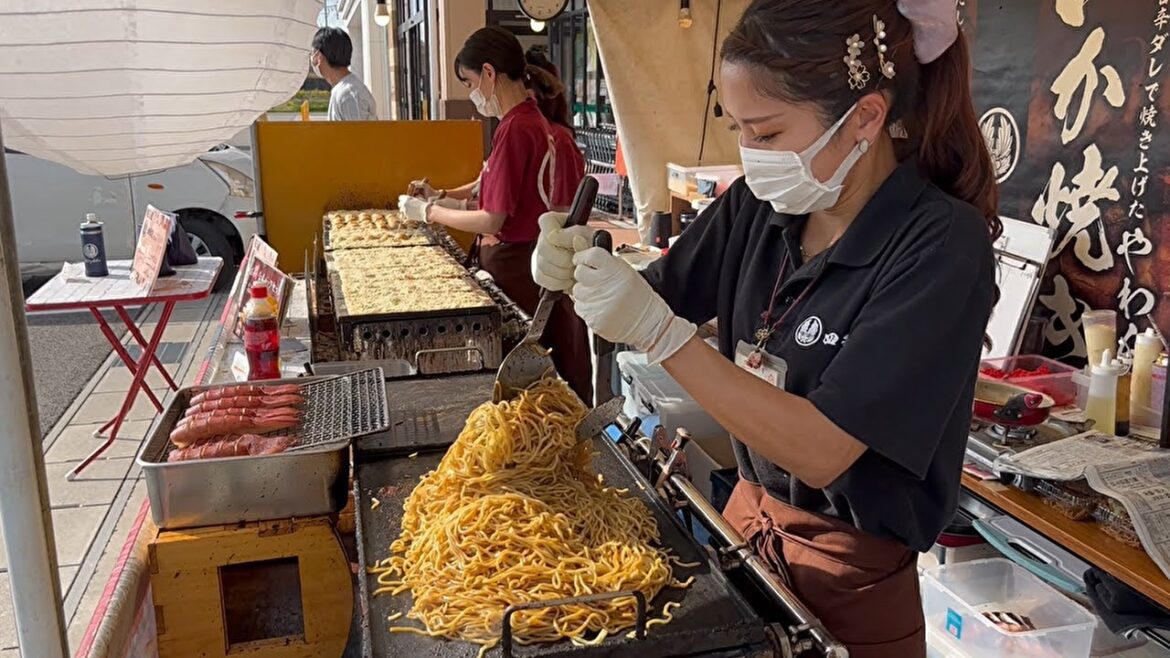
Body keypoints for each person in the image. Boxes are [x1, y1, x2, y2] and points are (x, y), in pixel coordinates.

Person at [534, 0, 997, 655]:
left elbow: (822, 448)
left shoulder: (942, 245)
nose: (748, 153)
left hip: (851, 583)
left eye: (769, 133)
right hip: (744, 535)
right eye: (739, 128)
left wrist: (662, 336)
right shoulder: (763, 206)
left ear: (865, 117)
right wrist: (578, 261)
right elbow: (657, 294)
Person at [399, 26, 593, 404]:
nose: (471, 92)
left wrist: (429, 211)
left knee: (530, 391)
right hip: (528, 263)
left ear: (489, 73)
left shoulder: (518, 127)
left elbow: (492, 219)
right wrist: (440, 199)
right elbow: (487, 194)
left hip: (518, 266)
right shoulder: (526, 120)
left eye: (469, 81)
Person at [310, 27, 377, 121]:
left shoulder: (348, 95)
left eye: (313, 54)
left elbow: (360, 135)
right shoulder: (345, 90)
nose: (312, 58)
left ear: (319, 57)